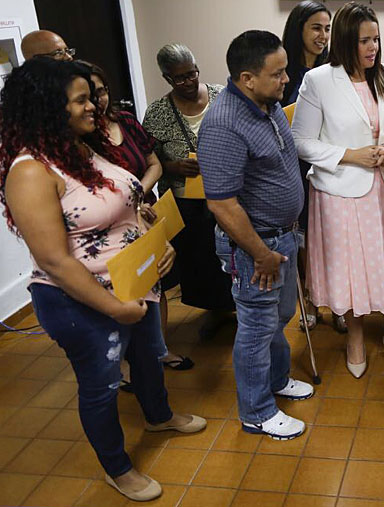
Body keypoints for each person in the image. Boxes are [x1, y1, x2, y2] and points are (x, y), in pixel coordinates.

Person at [0, 58, 206, 502]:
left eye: (90, 96)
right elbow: (54, 260)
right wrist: (114, 308)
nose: (93, 106)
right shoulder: (31, 171)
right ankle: (117, 467)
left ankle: (158, 415)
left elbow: (116, 206)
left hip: (132, 282)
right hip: (81, 301)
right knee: (101, 384)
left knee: (150, 356)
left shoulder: (78, 148)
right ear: (48, 108)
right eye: (80, 100)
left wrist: (151, 231)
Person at [292, 1, 384, 379]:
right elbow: (300, 140)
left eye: (376, 39)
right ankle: (356, 338)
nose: (373, 48)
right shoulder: (318, 81)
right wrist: (350, 155)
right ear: (346, 41)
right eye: (364, 40)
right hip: (340, 192)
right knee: (352, 269)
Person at [199, 30, 314, 440]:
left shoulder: (267, 105)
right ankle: (257, 412)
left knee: (278, 318)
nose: (286, 80)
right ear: (247, 78)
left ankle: (277, 379)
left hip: (282, 237)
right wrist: (261, 253)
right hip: (254, 247)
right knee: (255, 327)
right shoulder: (224, 124)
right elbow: (222, 204)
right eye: (278, 73)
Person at [84, 62, 194, 382]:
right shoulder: (82, 139)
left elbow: (154, 164)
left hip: (144, 212)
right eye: (90, 95)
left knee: (154, 282)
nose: (98, 100)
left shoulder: (127, 121)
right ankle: (127, 365)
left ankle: (159, 350)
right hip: (112, 227)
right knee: (124, 290)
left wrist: (139, 193)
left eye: (102, 91)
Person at [142, 44, 235, 337]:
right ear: (167, 78)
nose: (189, 82)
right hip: (186, 200)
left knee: (234, 252)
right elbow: (149, 159)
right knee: (199, 257)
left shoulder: (222, 96)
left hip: (227, 192)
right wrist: (172, 167)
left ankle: (241, 307)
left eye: (192, 73)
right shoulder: (157, 112)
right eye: (179, 78)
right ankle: (215, 310)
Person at [281, 1, 346, 333]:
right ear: (298, 29)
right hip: (291, 170)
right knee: (301, 241)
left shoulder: (334, 68)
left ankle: (336, 302)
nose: (323, 36)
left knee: (330, 239)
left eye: (328, 28)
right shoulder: (282, 71)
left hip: (326, 166)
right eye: (316, 28)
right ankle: (306, 302)